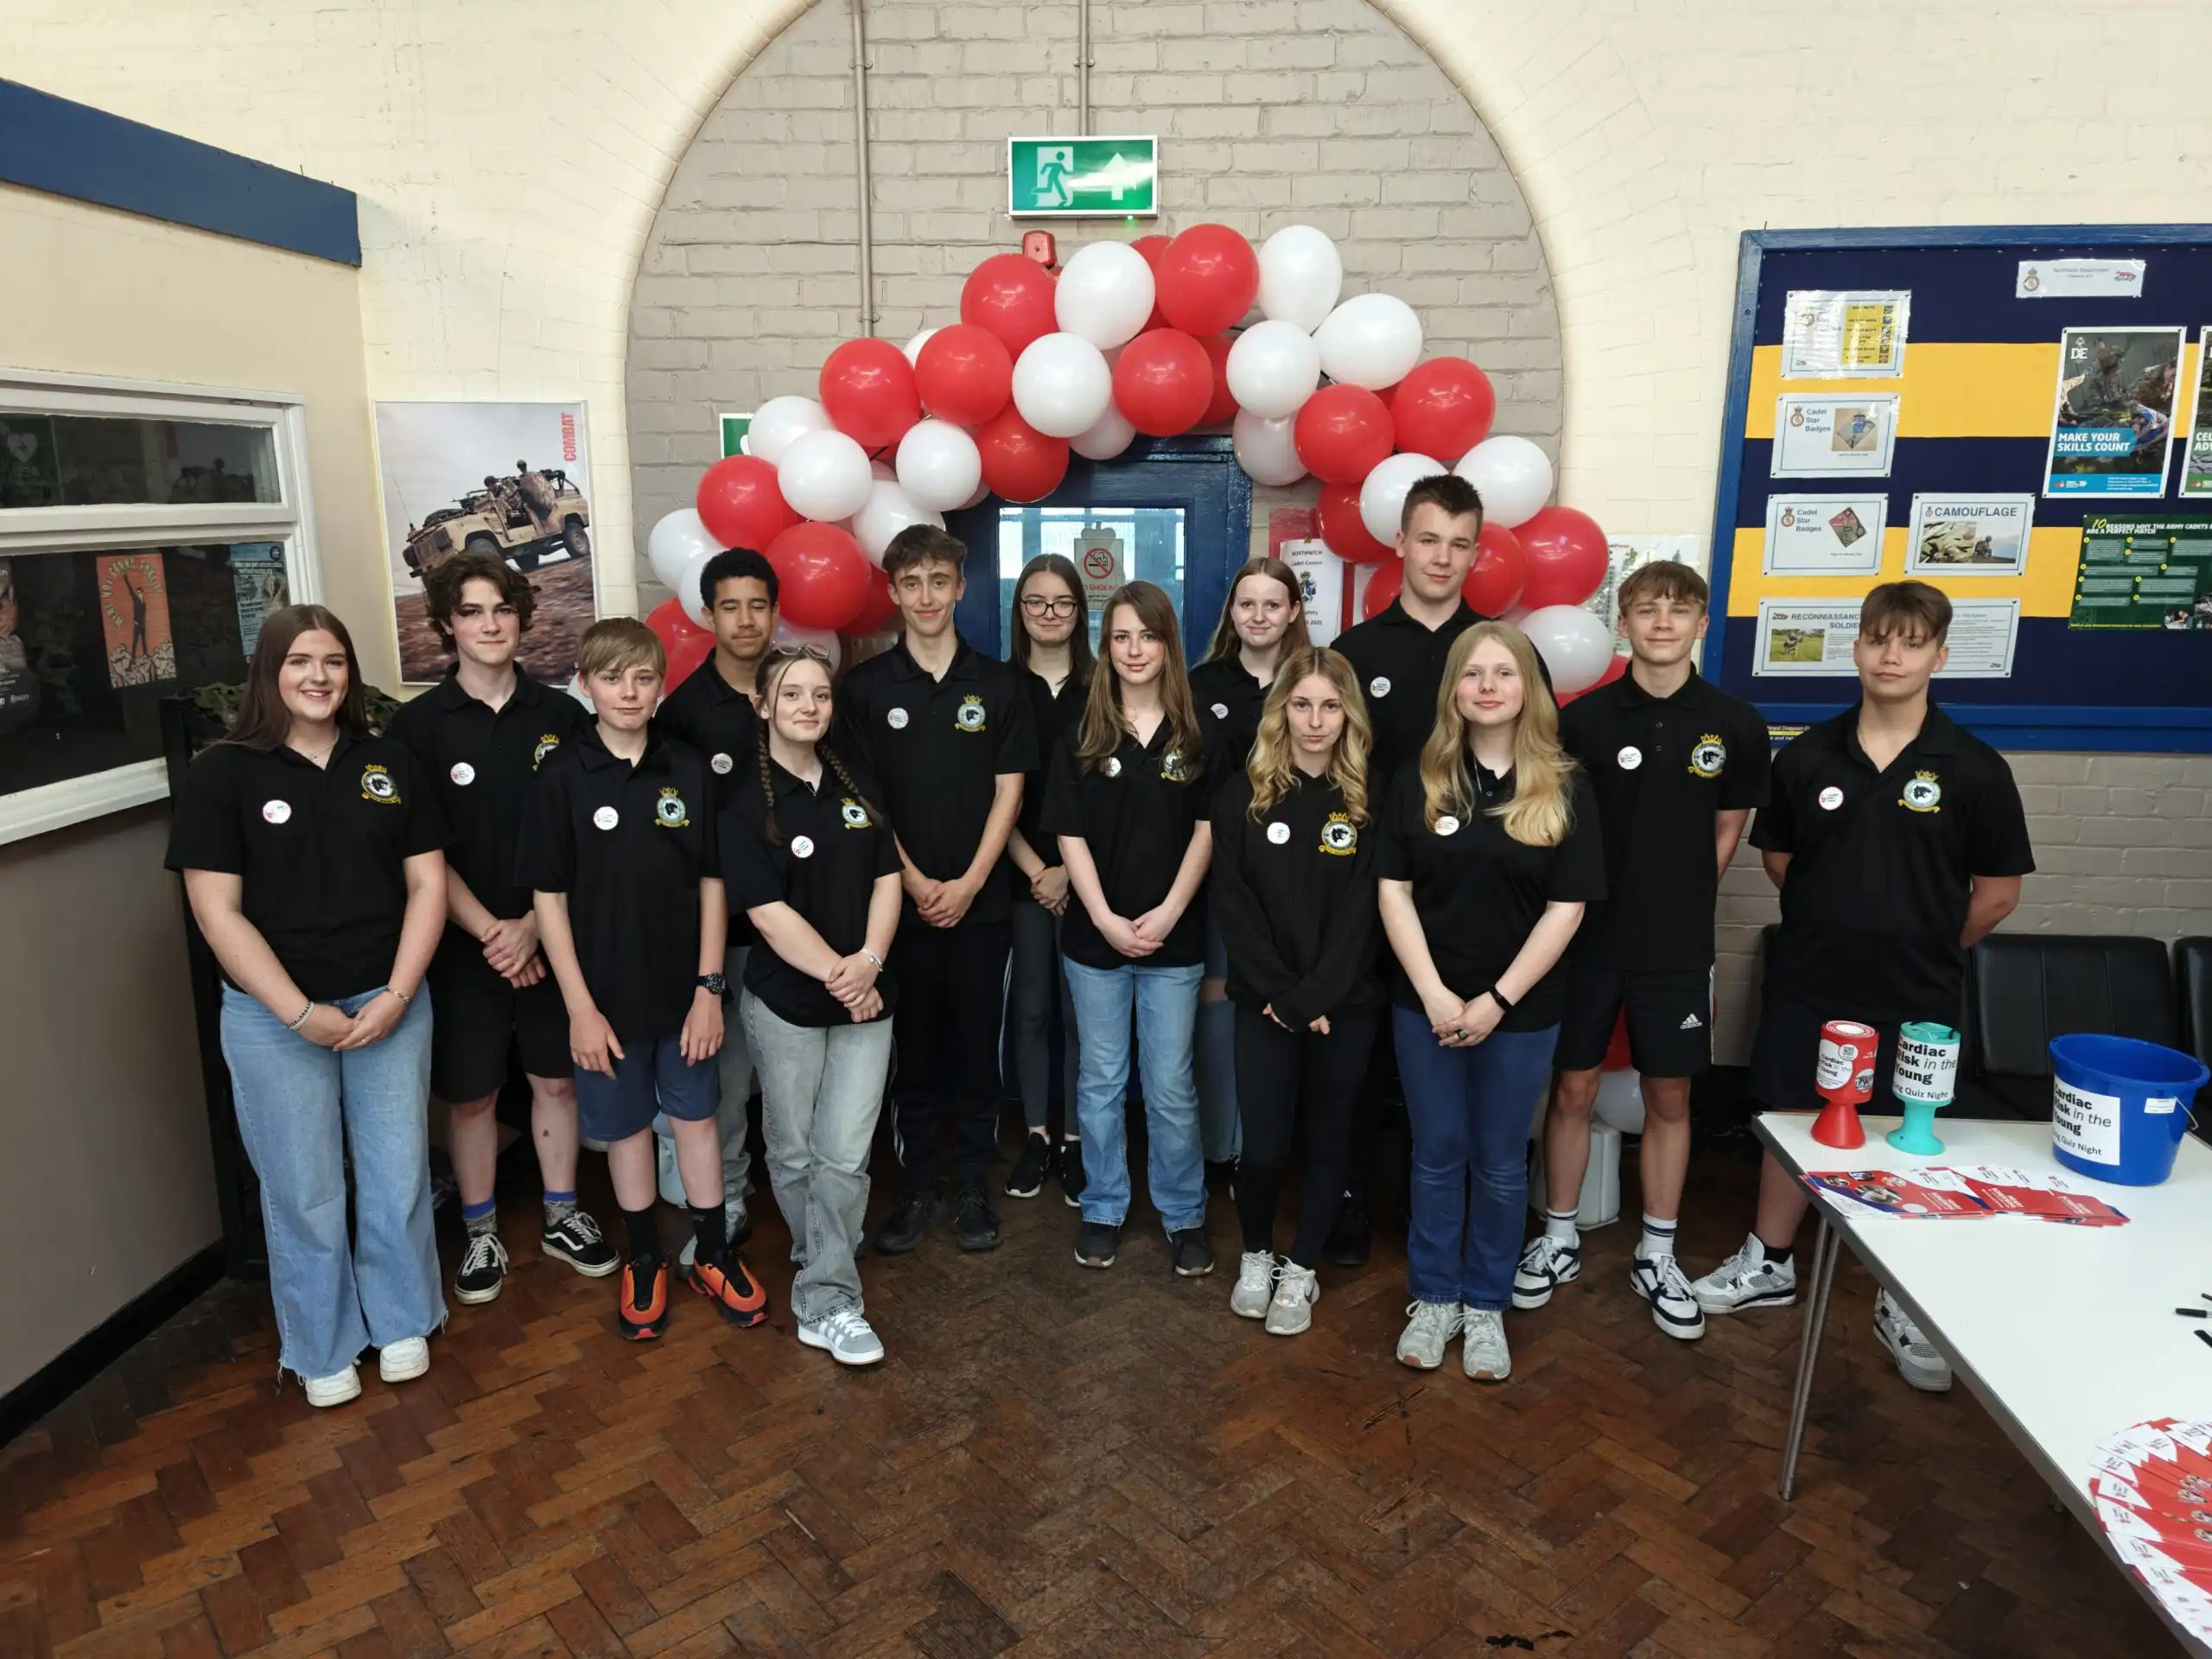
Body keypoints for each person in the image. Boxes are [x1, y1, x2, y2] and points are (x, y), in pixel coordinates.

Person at [1690, 581, 2031, 1393]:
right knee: (1790, 1118)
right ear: (1857, 648)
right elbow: (1782, 863)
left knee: (1906, 1136)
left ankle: (1902, 1297)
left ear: (1939, 657)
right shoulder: (1807, 757)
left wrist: (1922, 943)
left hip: (1919, 995)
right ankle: (1770, 1261)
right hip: (1810, 983)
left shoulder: (1976, 769)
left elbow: (1997, 894)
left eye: (1911, 643)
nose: (1892, 655)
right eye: (1879, 639)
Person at [167, 605, 448, 1408]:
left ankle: (402, 1318)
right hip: (273, 1019)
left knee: (396, 1174)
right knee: (305, 1190)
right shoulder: (223, 775)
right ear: (269, 672)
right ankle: (321, 1346)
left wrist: (397, 994)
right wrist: (297, 1012)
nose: (318, 677)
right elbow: (218, 913)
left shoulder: (387, 762)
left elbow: (428, 884)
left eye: (332, 661)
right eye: (299, 661)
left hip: (388, 1002)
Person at [1519, 561, 1769, 1341]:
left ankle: (1658, 1253)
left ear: (1702, 624)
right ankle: (1559, 1236)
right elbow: (1553, 825)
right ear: (1622, 623)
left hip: (1676, 946)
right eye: (1648, 609)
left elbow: (1728, 829)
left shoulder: (1735, 722)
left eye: (1680, 609)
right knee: (1571, 1089)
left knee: (1671, 1097)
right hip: (1585, 940)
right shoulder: (1583, 720)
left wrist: (1677, 898)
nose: (1663, 622)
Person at [518, 618, 768, 1340]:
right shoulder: (561, 776)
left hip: (685, 995)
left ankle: (713, 1254)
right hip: (602, 1001)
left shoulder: (687, 767)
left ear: (661, 684)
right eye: (612, 679)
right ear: (585, 685)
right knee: (627, 1130)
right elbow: (548, 899)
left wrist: (709, 989)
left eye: (643, 678)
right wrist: (579, 1009)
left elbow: (715, 883)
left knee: (697, 1120)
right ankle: (646, 1257)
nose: (629, 692)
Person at [1377, 622, 1604, 1382]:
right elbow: (1393, 892)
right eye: (1473, 673)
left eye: (1504, 673)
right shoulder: (1419, 778)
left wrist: (1497, 1000)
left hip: (1522, 1010)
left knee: (1502, 1162)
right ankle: (1434, 1296)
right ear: (1454, 690)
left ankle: (1484, 1305)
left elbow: (1567, 909)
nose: (1487, 686)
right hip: (1427, 1005)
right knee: (1437, 1154)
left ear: (1528, 689)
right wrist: (1436, 994)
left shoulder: (1564, 784)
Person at [386, 551, 613, 1306]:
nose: (490, 625)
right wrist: (495, 933)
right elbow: (422, 855)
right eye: (472, 612)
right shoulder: (416, 728)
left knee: (556, 1080)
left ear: (522, 619)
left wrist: (533, 930)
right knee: (472, 1097)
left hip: (552, 941)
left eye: (502, 610)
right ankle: (480, 1229)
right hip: (464, 949)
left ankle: (562, 1215)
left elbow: (584, 840)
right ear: (447, 625)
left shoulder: (563, 718)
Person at [836, 524, 1037, 1255]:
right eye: (912, 583)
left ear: (960, 588)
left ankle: (974, 1185)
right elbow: (864, 802)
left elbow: (1009, 791)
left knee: (978, 1053)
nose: (926, 596)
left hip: (982, 909)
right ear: (893, 593)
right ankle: (921, 1185)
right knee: (913, 1055)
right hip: (900, 911)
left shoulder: (1001, 684)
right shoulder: (864, 690)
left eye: (939, 581)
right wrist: (918, 883)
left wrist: (972, 882)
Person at [721, 645, 903, 1366]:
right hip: (788, 1004)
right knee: (795, 1153)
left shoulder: (857, 783)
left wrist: (870, 965)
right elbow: (767, 915)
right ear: (763, 705)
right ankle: (821, 1252)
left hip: (867, 1001)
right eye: (792, 694)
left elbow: (888, 879)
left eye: (820, 695)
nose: (808, 706)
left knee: (845, 1154)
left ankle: (827, 1300)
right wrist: (840, 973)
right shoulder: (744, 803)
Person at [1326, 473, 1490, 1264]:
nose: (1442, 558)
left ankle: (1449, 1202)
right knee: (1363, 1056)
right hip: (1368, 885)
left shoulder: (1495, 654)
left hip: (1470, 893)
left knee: (1459, 1042)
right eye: (1429, 540)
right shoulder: (1355, 654)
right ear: (1400, 543)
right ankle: (1353, 1198)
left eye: (1459, 544)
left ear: (1476, 553)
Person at [1043, 580, 1217, 1276]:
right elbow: (1069, 835)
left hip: (1176, 939)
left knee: (1171, 1084)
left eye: (1147, 636)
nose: (1134, 650)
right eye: (1120, 637)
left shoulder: (1196, 733)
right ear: (1105, 645)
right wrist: (1105, 918)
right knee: (1101, 1080)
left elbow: (1208, 830)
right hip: (1097, 942)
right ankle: (1103, 1205)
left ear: (1168, 643)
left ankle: (1184, 1214)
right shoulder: (1083, 733)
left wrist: (1170, 910)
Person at [1211, 646, 1381, 1337]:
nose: (1315, 721)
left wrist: (1311, 1000)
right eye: (1301, 705)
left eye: (1330, 707)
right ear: (1280, 710)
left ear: (1349, 715)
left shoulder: (1370, 799)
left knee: (1329, 1140)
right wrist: (1283, 997)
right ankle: (1257, 1253)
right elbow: (1233, 902)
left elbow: (1366, 914)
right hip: (1264, 1005)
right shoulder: (1243, 795)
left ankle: (1303, 1265)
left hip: (1345, 1006)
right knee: (1264, 1148)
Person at [652, 546, 779, 1265]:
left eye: (757, 605)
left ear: (776, 612)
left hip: (801, 922)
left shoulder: (799, 690)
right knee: (727, 1072)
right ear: (708, 614)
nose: (745, 620)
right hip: (722, 929)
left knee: (793, 1071)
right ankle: (728, 1195)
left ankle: (801, 1194)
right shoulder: (682, 715)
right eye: (730, 606)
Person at [1188, 556, 1313, 1191]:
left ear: (1293, 612)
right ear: (1231, 613)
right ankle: (1220, 1149)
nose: (1259, 616)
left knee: (1283, 1003)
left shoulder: (1312, 683)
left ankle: (1267, 1151)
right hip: (1216, 873)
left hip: (1298, 878)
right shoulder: (1201, 684)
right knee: (1218, 1005)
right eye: (1247, 604)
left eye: (1272, 604)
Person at [1001, 554, 1092, 1206]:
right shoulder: (1000, 688)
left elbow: (1113, 799)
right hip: (1023, 877)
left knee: (1080, 1014)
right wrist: (1039, 872)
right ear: (1020, 611)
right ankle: (1036, 1134)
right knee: (1031, 1007)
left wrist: (1071, 875)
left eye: (1062, 602)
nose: (1049, 614)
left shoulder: (1106, 686)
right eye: (1036, 601)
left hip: (1092, 883)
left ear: (1080, 612)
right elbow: (993, 798)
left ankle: (1077, 1140)